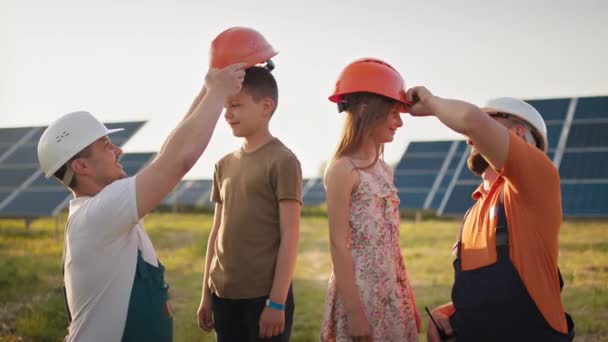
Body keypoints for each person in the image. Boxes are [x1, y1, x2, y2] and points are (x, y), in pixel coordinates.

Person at [36, 62, 245, 341]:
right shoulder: (101, 213)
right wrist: (218, 93)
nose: (118, 150)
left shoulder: (104, 210)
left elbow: (168, 154)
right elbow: (177, 160)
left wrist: (209, 88)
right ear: (81, 166)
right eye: (106, 146)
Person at [405, 87, 575, 341]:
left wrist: (430, 102)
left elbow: (470, 121)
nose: (470, 139)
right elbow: (490, 289)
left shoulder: (538, 177)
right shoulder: (473, 210)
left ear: (518, 134)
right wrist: (451, 315)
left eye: (490, 126)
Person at [196, 27, 302, 342]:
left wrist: (277, 302)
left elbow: (290, 235)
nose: (227, 114)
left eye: (236, 106)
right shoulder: (223, 165)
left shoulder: (283, 160)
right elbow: (216, 234)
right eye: (226, 106)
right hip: (223, 296)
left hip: (264, 300)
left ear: (266, 106)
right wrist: (206, 294)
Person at [321, 58, 421, 342]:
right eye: (392, 113)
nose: (400, 122)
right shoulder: (343, 170)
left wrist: (408, 301)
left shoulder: (385, 170)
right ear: (366, 112)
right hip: (359, 294)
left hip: (392, 288)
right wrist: (354, 312)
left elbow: (394, 247)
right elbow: (338, 245)